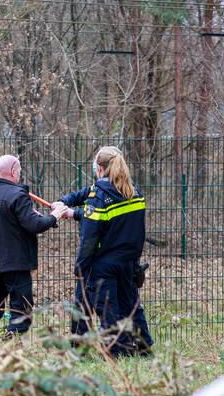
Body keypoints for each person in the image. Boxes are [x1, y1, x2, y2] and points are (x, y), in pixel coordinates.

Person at [55, 146, 152, 356]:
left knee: (107, 309)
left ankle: (114, 352)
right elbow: (101, 211)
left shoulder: (100, 197)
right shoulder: (132, 191)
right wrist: (65, 203)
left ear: (100, 168)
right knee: (131, 306)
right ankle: (143, 348)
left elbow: (90, 238)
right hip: (129, 262)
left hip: (103, 264)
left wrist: (80, 268)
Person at [0, 154, 68, 343]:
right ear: (12, 171)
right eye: (19, 170)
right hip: (15, 265)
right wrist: (55, 216)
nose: (20, 174)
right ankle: (11, 347)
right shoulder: (18, 196)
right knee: (21, 310)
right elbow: (35, 225)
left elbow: (13, 221)